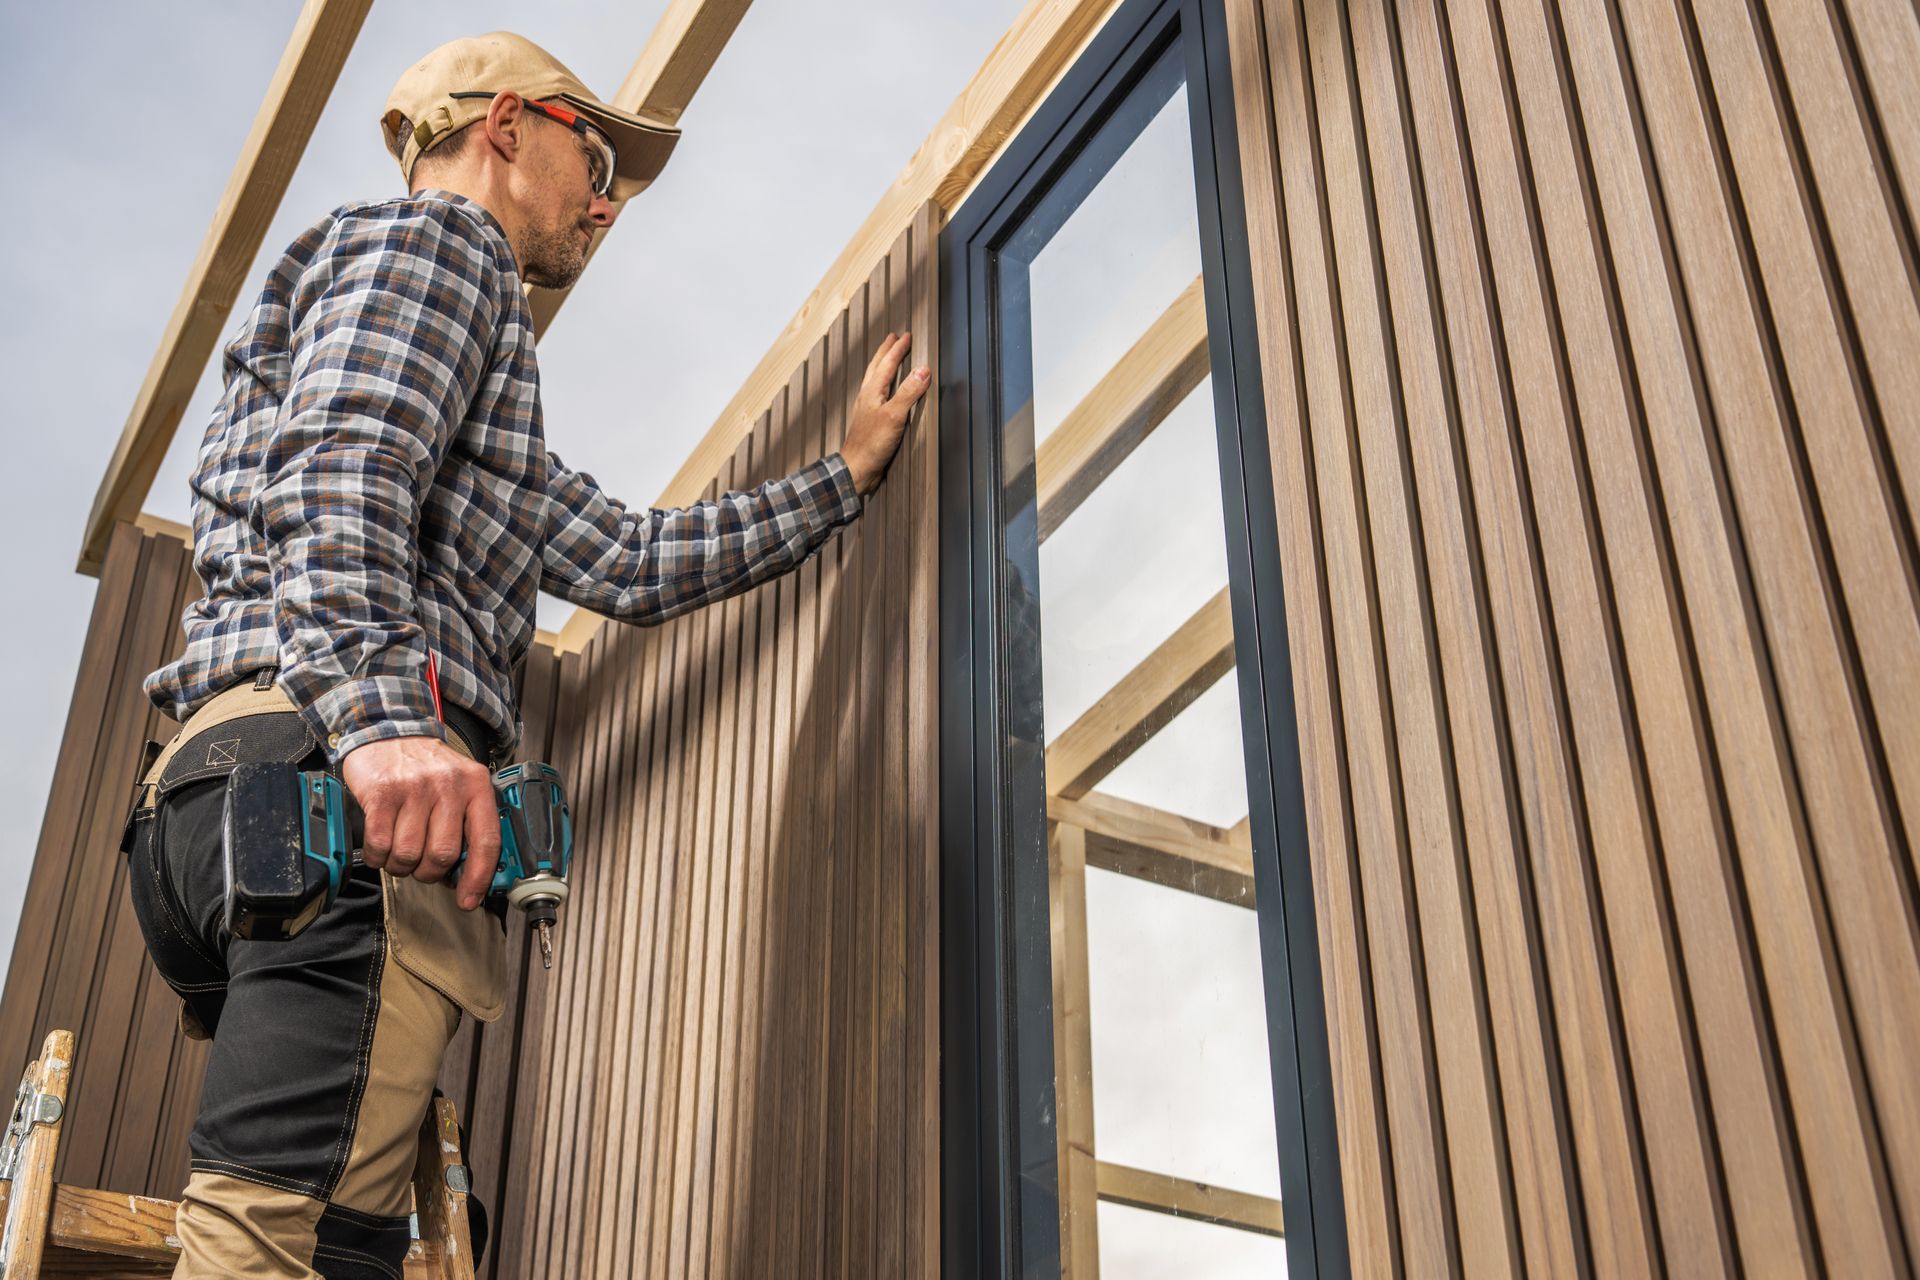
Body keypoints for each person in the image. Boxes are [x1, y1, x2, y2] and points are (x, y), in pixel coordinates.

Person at [127, 31, 928, 1279]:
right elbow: (345, 460)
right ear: (503, 126)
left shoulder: (462, 398)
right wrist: (384, 720)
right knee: (279, 1250)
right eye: (594, 154)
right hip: (335, 794)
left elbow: (632, 558)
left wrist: (843, 475)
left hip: (234, 798)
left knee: (321, 1234)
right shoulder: (442, 246)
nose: (607, 198)